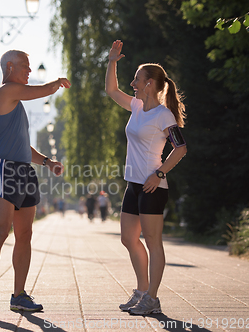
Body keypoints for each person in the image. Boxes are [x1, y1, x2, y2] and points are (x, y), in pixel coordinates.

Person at [0, 50, 71, 315]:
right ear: (10, 66)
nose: (28, 71)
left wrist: (48, 162)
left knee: (25, 235)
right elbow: (41, 92)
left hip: (24, 172)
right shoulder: (2, 93)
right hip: (3, 170)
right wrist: (56, 84)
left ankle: (19, 295)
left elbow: (22, 145)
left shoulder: (17, 102)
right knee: (0, 232)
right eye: (26, 67)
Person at [105, 40, 187, 315]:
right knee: (129, 238)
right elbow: (111, 90)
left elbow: (181, 148)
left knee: (153, 242)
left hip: (153, 186)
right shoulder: (138, 107)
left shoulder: (164, 115)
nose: (133, 83)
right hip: (134, 184)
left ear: (150, 83)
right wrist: (112, 61)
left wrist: (160, 172)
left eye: (137, 79)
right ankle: (142, 290)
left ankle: (152, 298)